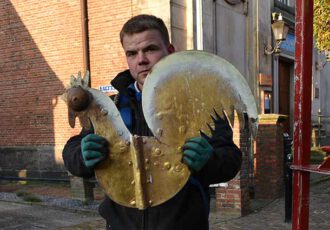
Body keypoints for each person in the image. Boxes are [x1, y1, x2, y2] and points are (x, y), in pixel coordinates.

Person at [62, 14, 242, 230]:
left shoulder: (199, 105)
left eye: (150, 49)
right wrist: (81, 155)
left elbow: (230, 159)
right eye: (132, 53)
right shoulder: (111, 107)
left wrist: (210, 160)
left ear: (170, 51)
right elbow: (73, 148)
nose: (141, 59)